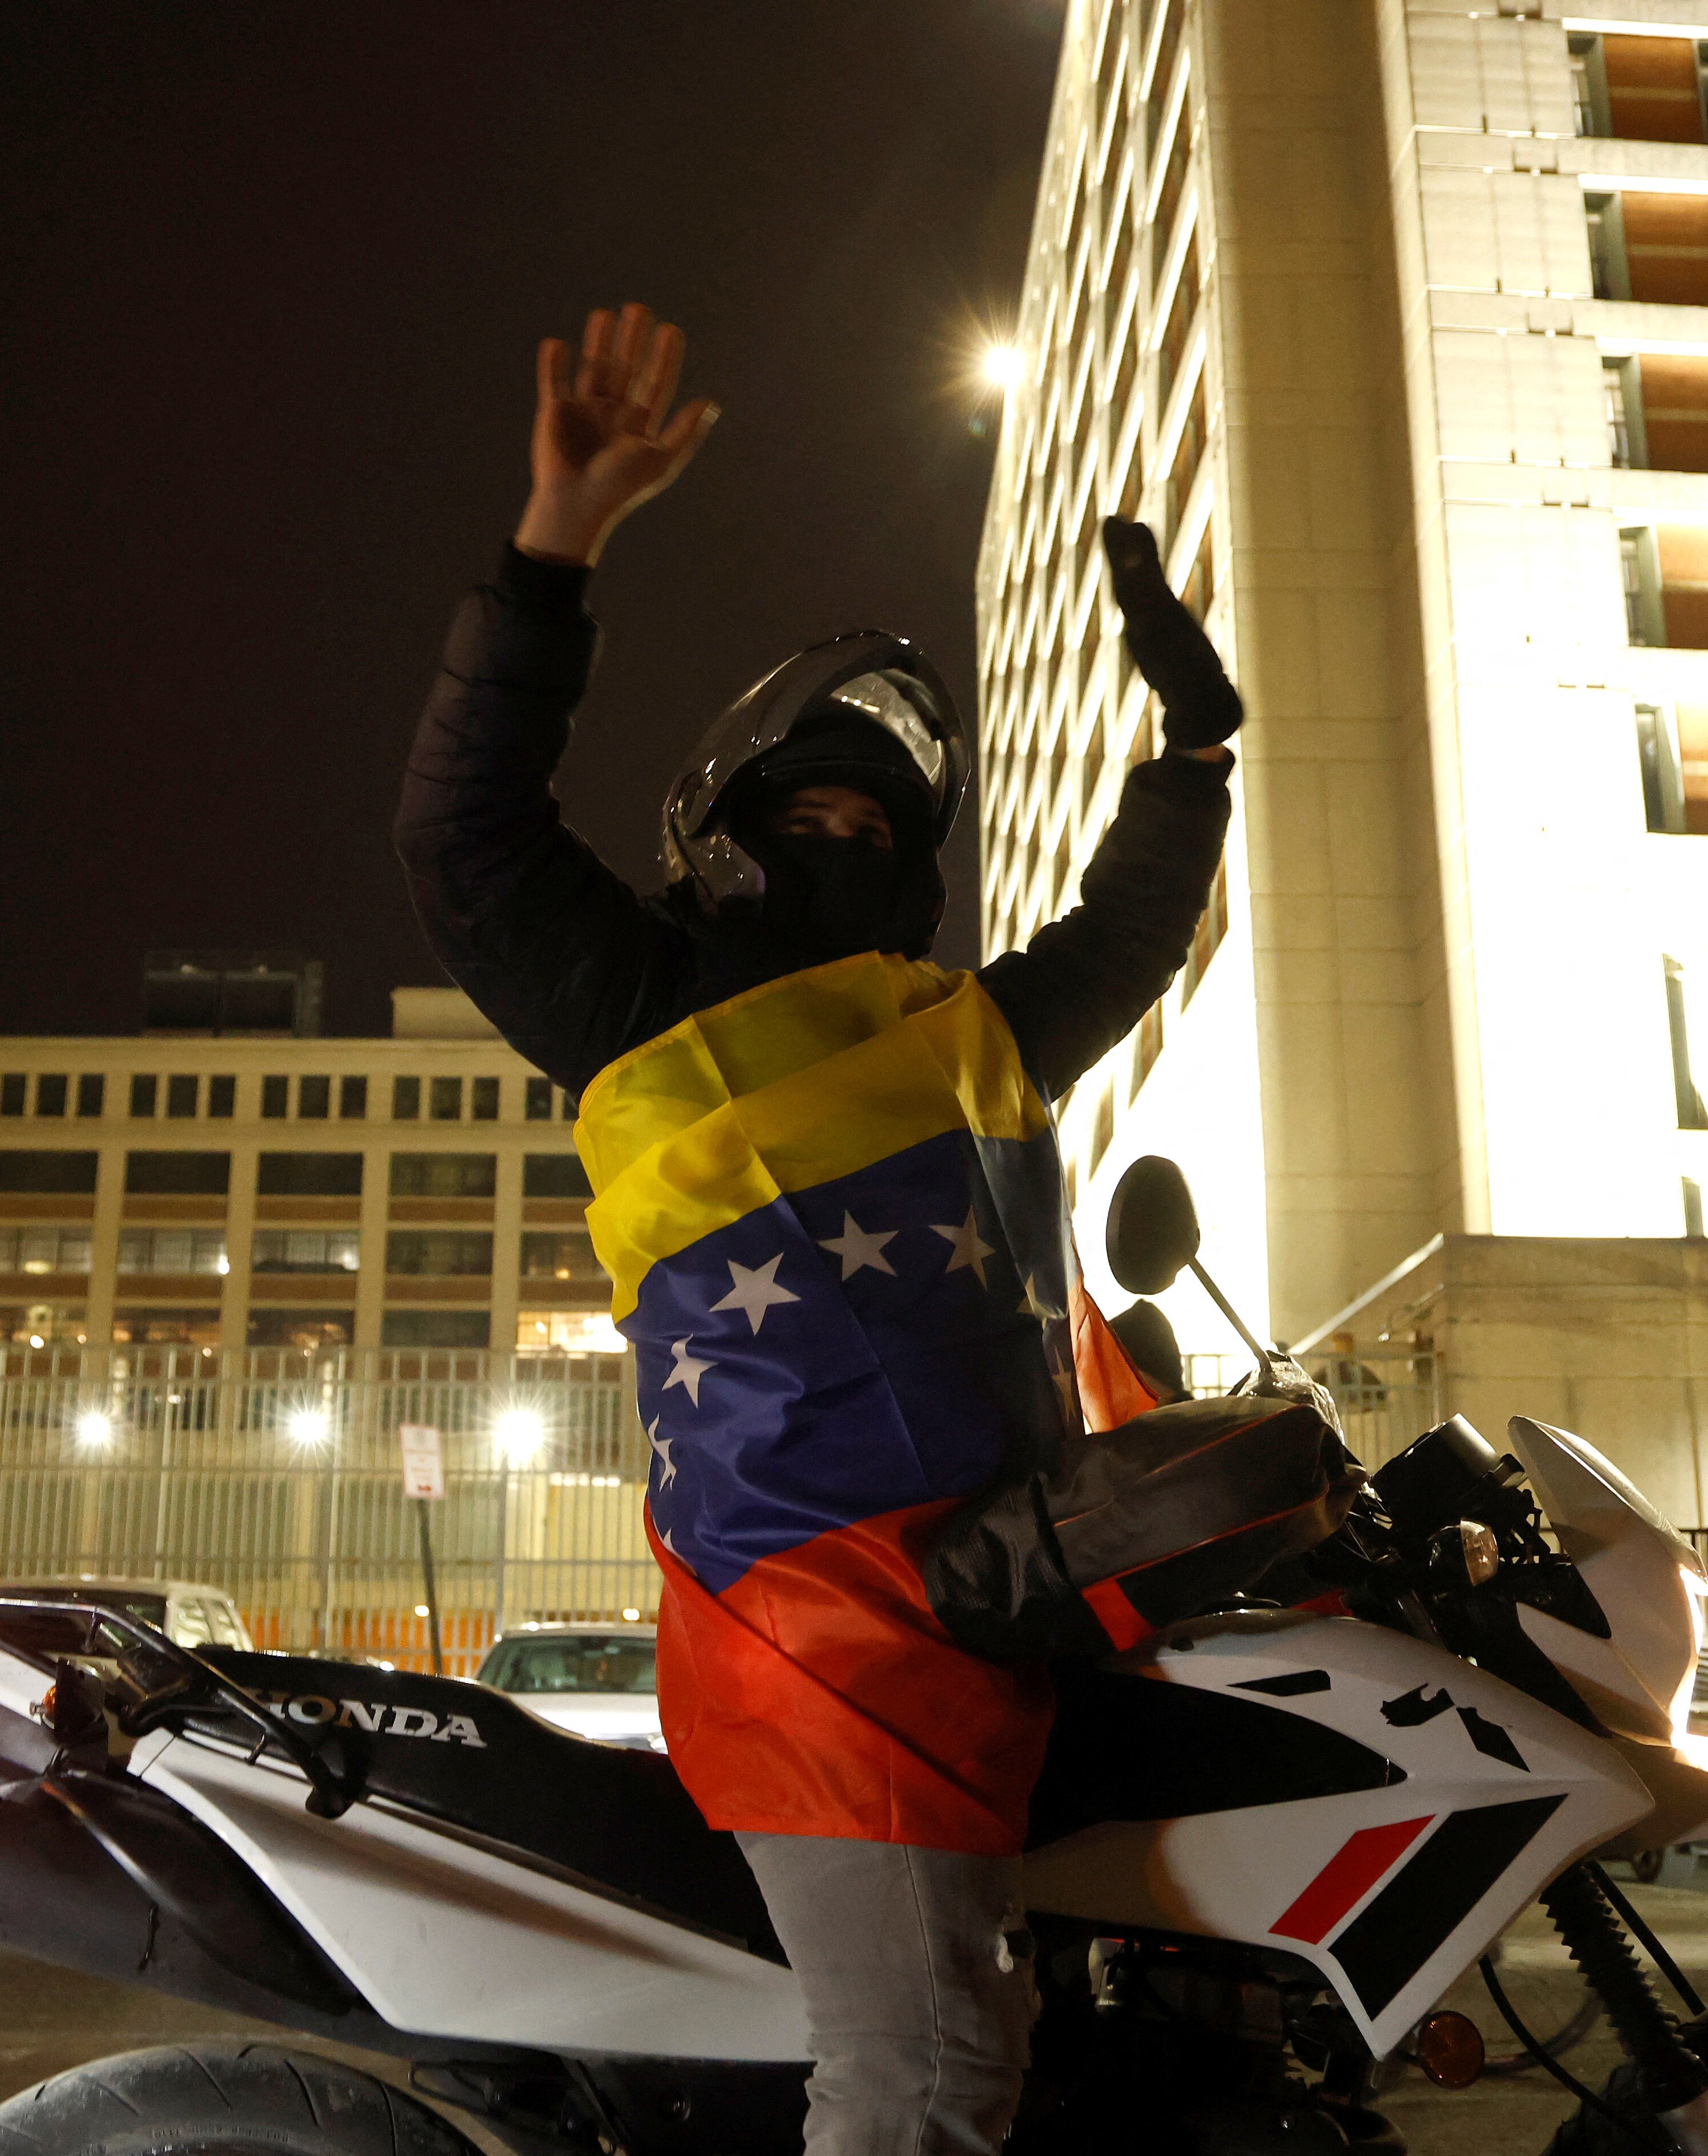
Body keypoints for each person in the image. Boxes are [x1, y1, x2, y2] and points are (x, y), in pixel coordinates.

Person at [396, 303, 1242, 2156]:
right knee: (927, 2081)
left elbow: (1116, 945)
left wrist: (1190, 754)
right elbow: (466, 833)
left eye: (882, 819)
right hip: (821, 1636)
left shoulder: (958, 1037)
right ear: (726, 828)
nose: (847, 832)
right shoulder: (635, 990)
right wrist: (557, 544)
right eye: (812, 807)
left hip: (1015, 1599)